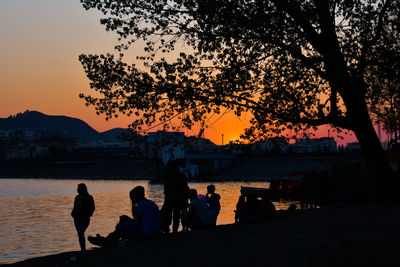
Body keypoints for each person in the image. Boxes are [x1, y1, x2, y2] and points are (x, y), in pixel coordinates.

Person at [88, 186, 161, 248]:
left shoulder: (139, 207)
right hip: (155, 232)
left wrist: (133, 204)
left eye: (134, 196)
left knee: (123, 226)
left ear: (136, 196)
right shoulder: (151, 203)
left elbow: (137, 222)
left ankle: (106, 241)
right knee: (123, 218)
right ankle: (111, 238)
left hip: (147, 234)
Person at [161, 160, 189, 233]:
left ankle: (167, 229)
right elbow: (185, 188)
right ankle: (174, 230)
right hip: (178, 199)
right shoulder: (181, 176)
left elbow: (166, 190)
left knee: (168, 215)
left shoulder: (167, 176)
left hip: (169, 199)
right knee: (176, 216)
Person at [71, 183, 95, 251]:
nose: (77, 189)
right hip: (77, 218)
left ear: (82, 189)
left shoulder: (89, 197)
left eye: (78, 188)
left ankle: (83, 250)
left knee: (81, 233)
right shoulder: (77, 197)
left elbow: (92, 208)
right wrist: (73, 214)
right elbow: (75, 207)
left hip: (85, 219)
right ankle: (83, 249)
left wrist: (88, 214)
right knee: (80, 234)